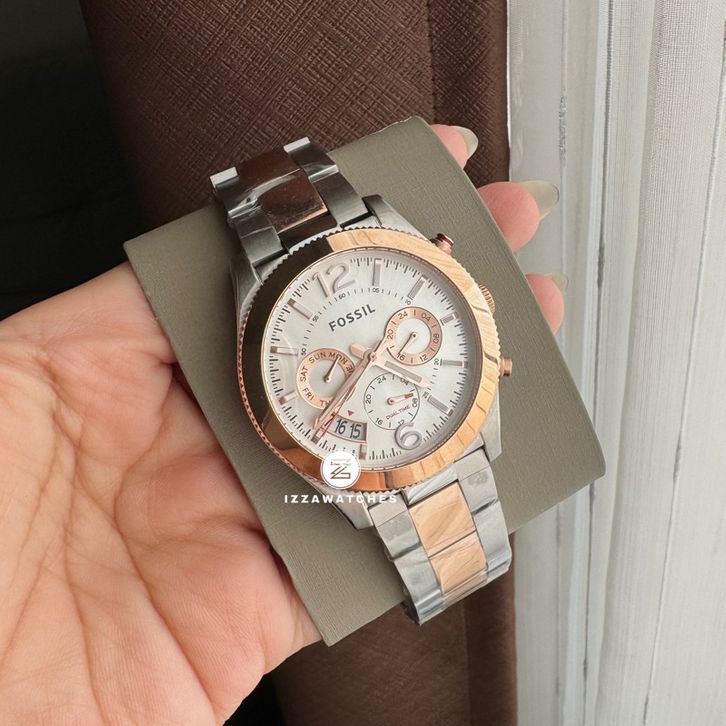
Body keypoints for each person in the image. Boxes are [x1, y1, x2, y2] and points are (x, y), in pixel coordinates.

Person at [0, 125, 563, 723]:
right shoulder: (268, 329)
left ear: (476, 308)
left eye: (378, 350)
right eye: (362, 358)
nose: (372, 356)